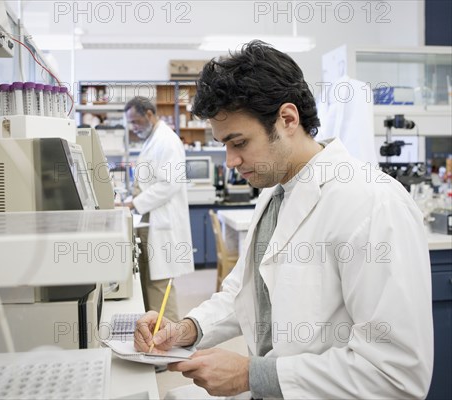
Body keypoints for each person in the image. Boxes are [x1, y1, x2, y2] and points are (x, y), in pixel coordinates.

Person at [134, 41, 433, 399]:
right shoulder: (276, 192)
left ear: (288, 119)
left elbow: (397, 373)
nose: (229, 161)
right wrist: (186, 329)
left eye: (239, 142)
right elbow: (245, 291)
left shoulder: (373, 204)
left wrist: (252, 375)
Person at [122, 96, 194, 322]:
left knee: (160, 287)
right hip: (148, 219)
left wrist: (134, 203)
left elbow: (168, 184)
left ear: (150, 114)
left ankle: (171, 337)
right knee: (149, 283)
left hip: (160, 223)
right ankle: (155, 336)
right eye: (130, 123)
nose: (133, 128)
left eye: (135, 122)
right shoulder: (152, 139)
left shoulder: (167, 140)